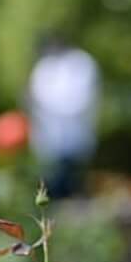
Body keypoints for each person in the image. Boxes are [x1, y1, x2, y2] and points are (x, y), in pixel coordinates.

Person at [27, 36, 99, 199]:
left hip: (74, 134)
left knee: (72, 180)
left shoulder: (80, 63)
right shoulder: (45, 66)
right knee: (52, 180)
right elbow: (37, 96)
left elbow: (79, 101)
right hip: (50, 136)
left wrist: (52, 107)